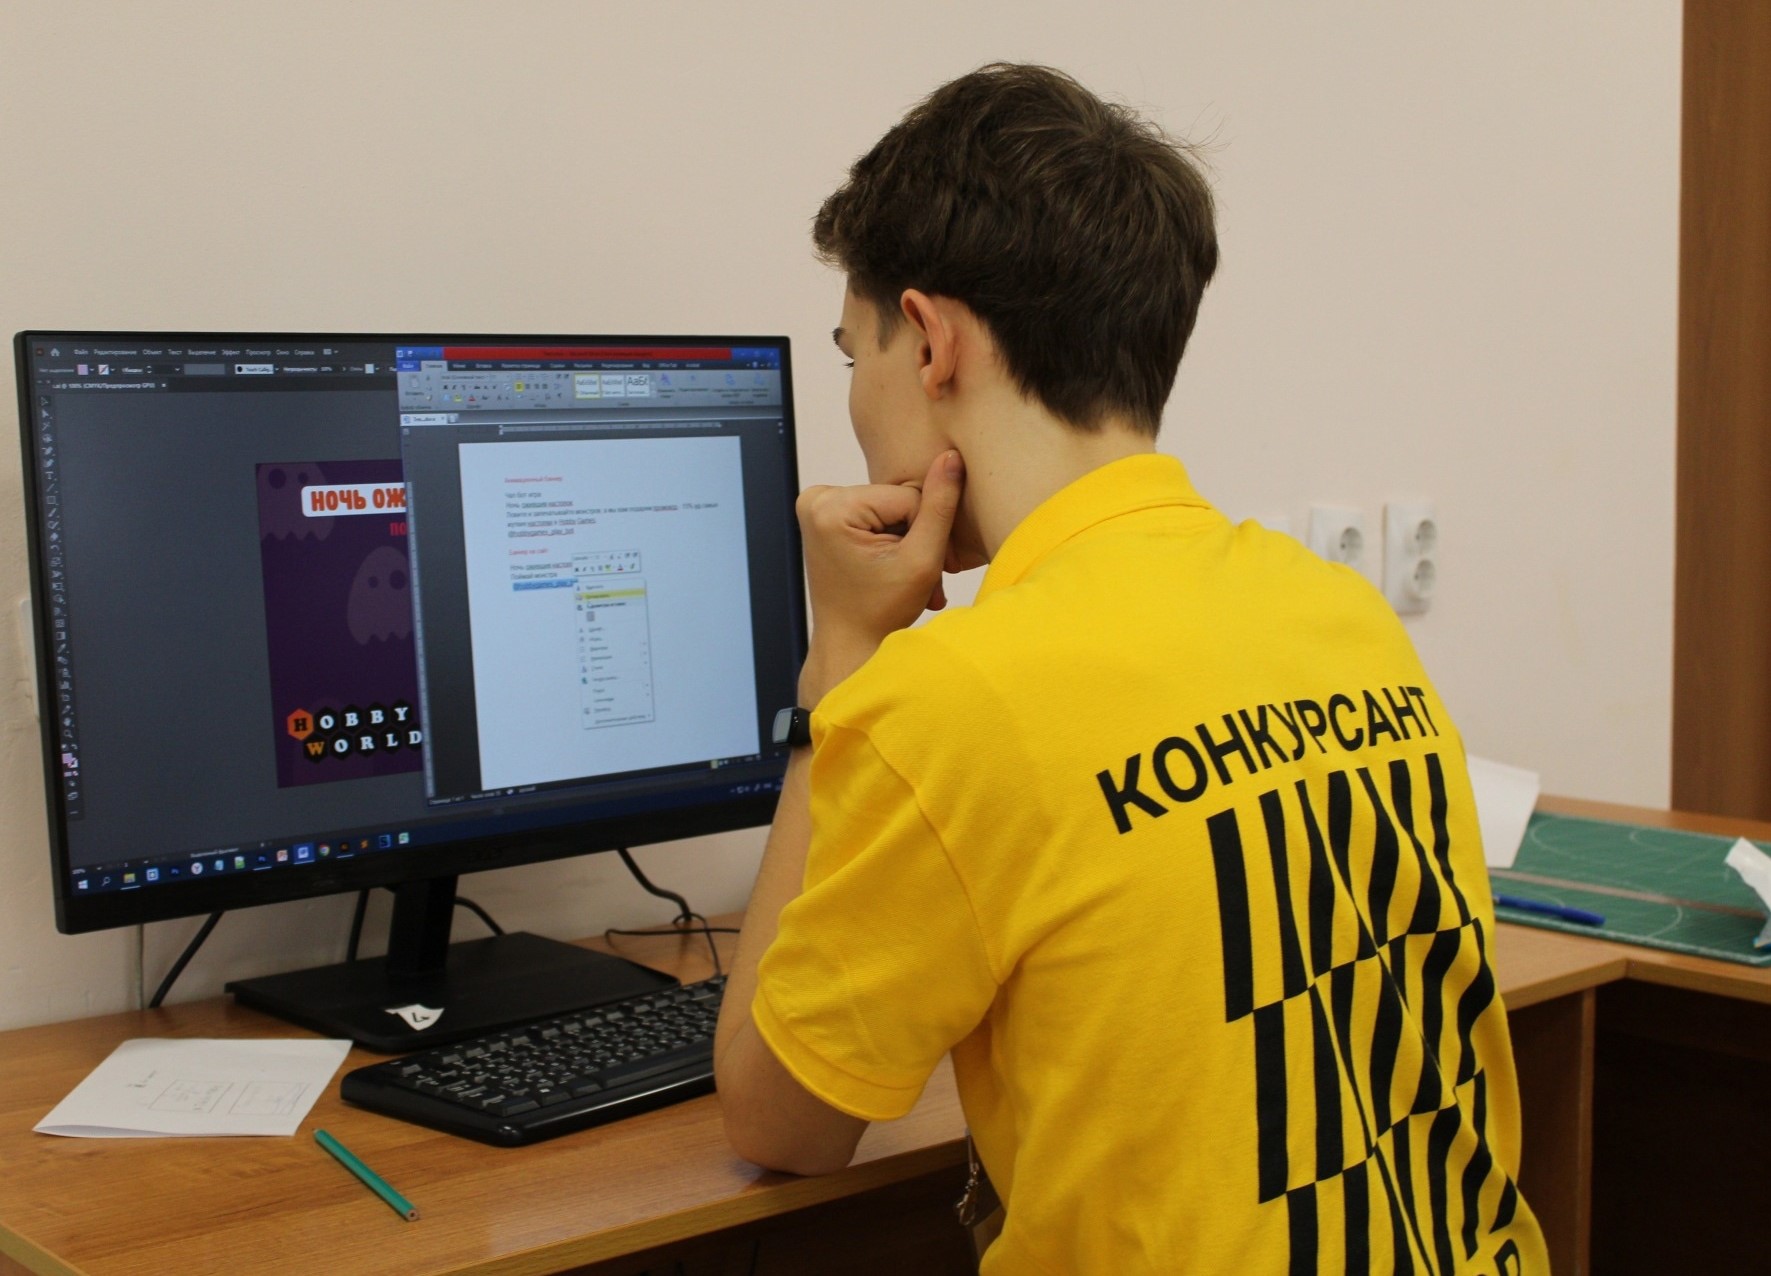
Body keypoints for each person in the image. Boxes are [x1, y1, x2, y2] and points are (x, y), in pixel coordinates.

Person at [713, 62, 1548, 1275]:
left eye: (855, 356)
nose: (856, 399)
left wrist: (838, 656)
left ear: (932, 342)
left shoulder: (953, 701)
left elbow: (776, 1124)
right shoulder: (1342, 616)